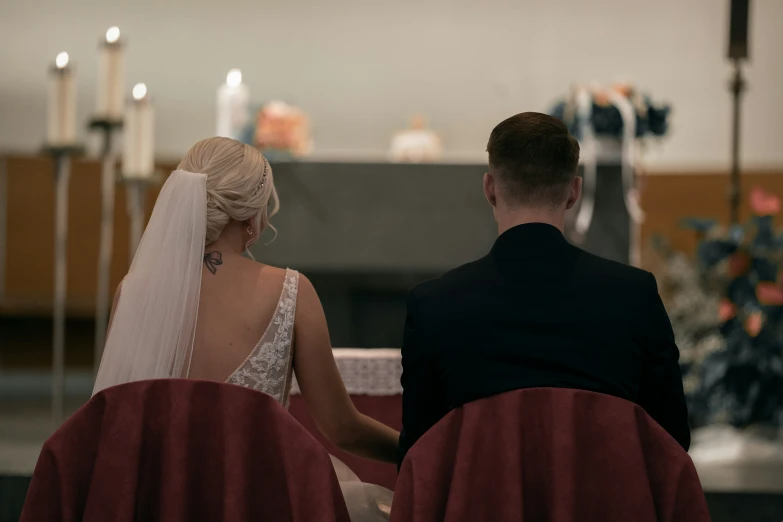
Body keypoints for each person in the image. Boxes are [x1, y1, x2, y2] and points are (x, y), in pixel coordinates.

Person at [93, 137, 396, 521]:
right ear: (253, 214)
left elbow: (113, 417)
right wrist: (414, 449)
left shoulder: (133, 292)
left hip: (158, 497)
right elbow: (343, 428)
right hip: (256, 498)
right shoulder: (291, 290)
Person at [399, 112, 689, 465]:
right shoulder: (635, 296)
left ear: (489, 188)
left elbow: (419, 458)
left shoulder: (433, 305)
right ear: (574, 192)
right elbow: (672, 443)